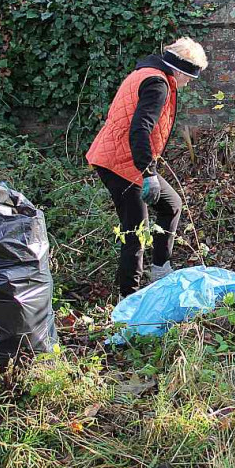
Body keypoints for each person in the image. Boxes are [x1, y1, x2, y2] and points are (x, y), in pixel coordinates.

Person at [86, 37, 208, 297]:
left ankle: (160, 269)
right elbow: (139, 129)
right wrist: (148, 173)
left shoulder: (145, 73)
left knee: (171, 204)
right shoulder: (158, 84)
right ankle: (128, 300)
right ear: (180, 70)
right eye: (189, 78)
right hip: (122, 164)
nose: (187, 84)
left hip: (121, 159)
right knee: (135, 231)